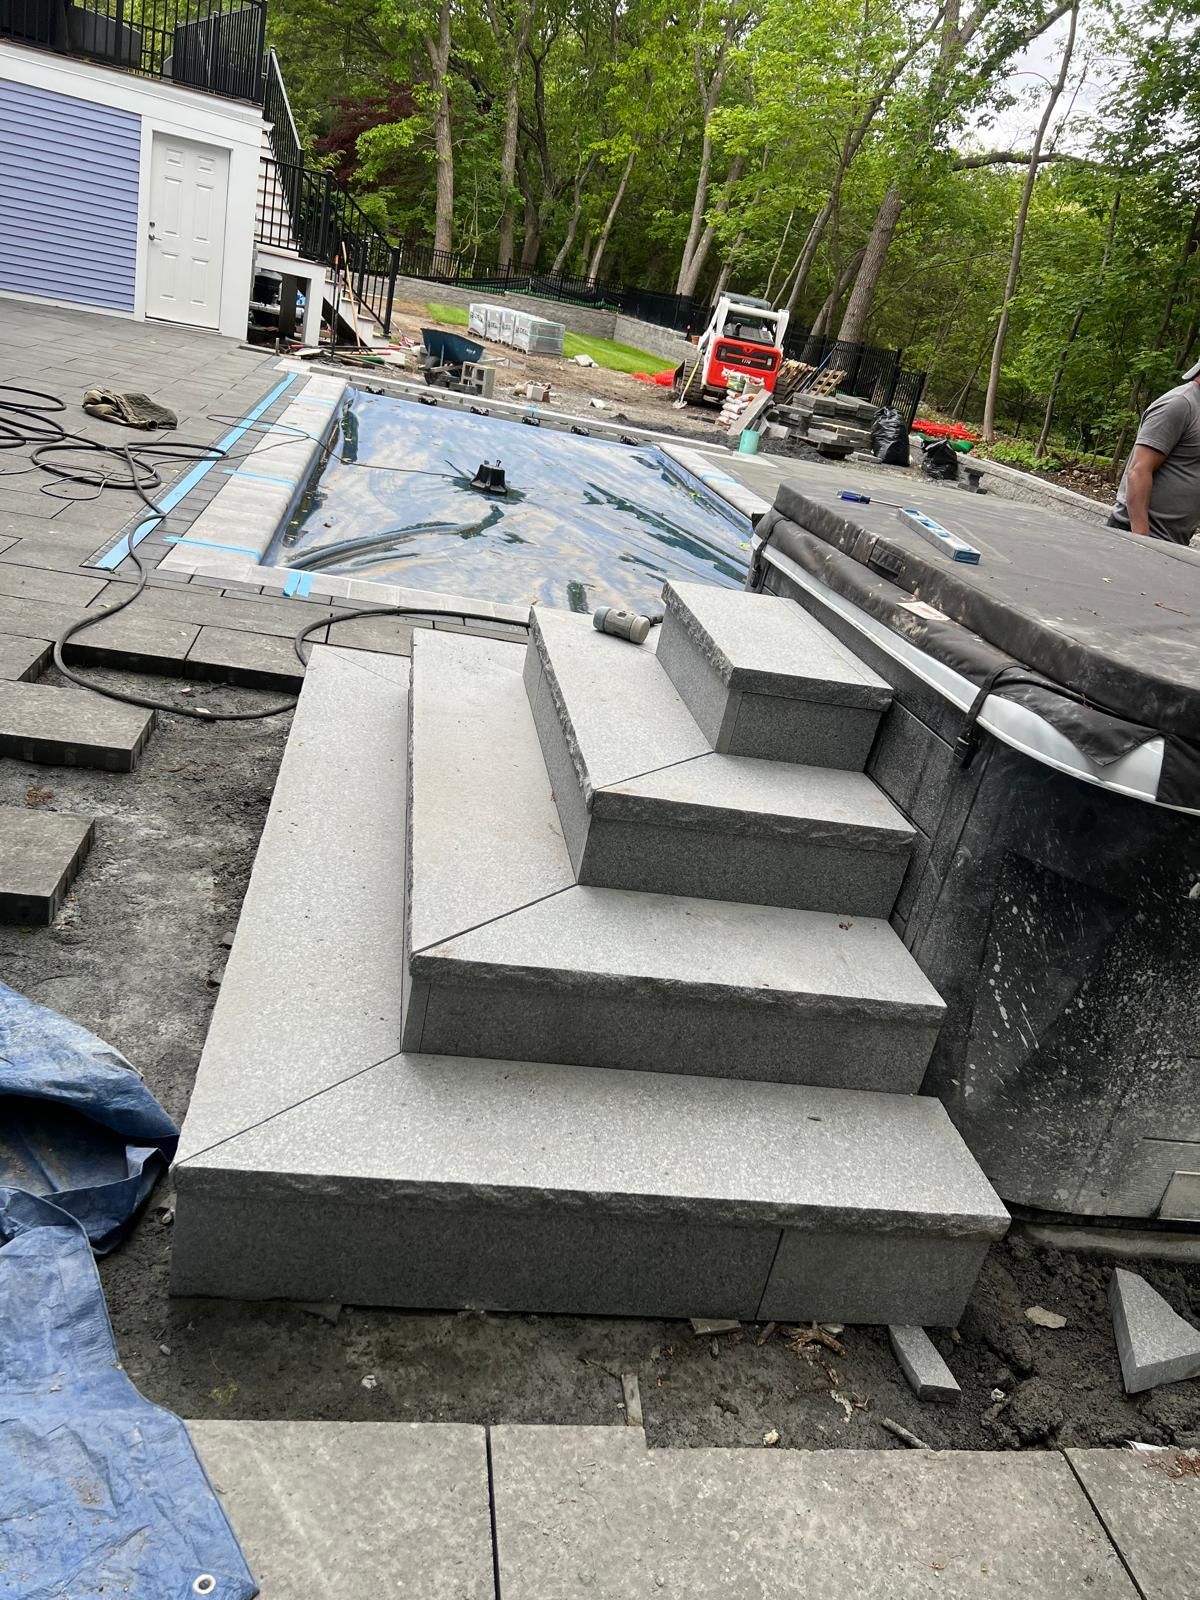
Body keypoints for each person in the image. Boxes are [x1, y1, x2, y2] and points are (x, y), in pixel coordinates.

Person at [1109, 360, 1200, 544]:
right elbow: (1139, 471)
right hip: (1138, 535)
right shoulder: (1180, 404)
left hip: (1174, 541)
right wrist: (1143, 542)